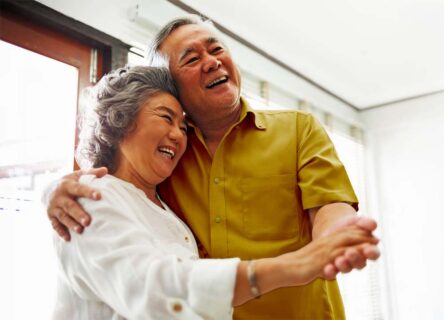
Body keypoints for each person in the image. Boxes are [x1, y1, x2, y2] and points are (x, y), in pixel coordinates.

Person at [46, 15, 380, 319]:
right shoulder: (159, 166)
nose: (211, 61)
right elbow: (142, 265)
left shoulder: (297, 128)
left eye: (216, 48)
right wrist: (54, 191)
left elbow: (331, 207)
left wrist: (335, 239)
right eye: (191, 59)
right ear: (172, 89)